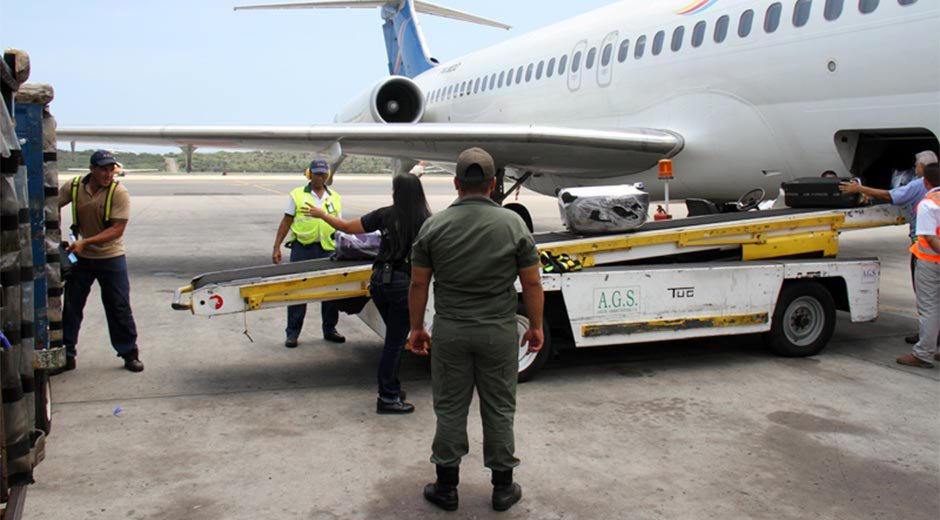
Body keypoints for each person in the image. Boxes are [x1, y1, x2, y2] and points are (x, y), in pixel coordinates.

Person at [408, 148, 544, 512]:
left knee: (450, 408)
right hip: (498, 332)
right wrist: (535, 327)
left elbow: (418, 285)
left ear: (455, 183)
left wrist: (416, 328)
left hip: (451, 331)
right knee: (499, 407)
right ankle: (503, 488)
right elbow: (532, 284)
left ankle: (446, 487)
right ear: (493, 184)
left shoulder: (433, 227)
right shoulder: (513, 224)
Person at [304, 174, 431, 414]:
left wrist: (322, 215)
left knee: (393, 340)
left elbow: (346, 227)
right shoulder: (426, 221)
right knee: (395, 342)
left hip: (379, 283)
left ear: (397, 193)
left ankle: (392, 385)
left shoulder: (385, 214)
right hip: (404, 285)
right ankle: (388, 396)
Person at [53, 150, 143, 374]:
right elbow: (50, 206)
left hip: (110, 257)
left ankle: (129, 353)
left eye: (111, 169)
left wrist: (86, 242)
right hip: (82, 258)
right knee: (72, 306)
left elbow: (117, 229)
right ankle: (67, 355)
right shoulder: (75, 187)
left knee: (118, 306)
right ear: (92, 169)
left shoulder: (118, 192)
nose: (108, 174)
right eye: (103, 169)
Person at [840, 150, 938, 344]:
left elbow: (890, 195)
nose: (914, 168)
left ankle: (927, 343)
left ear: (924, 169)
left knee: (927, 301)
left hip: (926, 255)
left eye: (917, 165)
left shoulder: (920, 188)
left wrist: (860, 190)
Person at [272, 159, 345, 347]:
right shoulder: (297, 195)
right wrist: (276, 246)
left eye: (323, 174)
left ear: (327, 175)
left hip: (328, 248)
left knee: (331, 292)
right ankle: (292, 333)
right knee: (298, 291)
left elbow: (340, 225)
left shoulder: (335, 197)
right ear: (309, 174)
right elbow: (287, 221)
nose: (319, 177)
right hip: (303, 248)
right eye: (316, 174)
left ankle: (330, 329)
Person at [896, 163, 940, 368]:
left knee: (929, 309)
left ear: (925, 181)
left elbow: (930, 238)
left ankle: (923, 354)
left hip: (931, 262)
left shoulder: (928, 203)